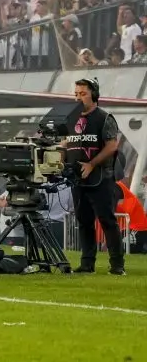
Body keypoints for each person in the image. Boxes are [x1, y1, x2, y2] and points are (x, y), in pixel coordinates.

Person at [66, 78, 125, 275]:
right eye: (76, 94)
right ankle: (87, 264)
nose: (78, 97)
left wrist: (91, 164)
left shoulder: (104, 117)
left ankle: (117, 265)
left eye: (82, 93)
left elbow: (112, 145)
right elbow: (66, 142)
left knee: (107, 220)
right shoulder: (71, 117)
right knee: (83, 221)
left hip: (101, 177)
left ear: (94, 94)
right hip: (78, 178)